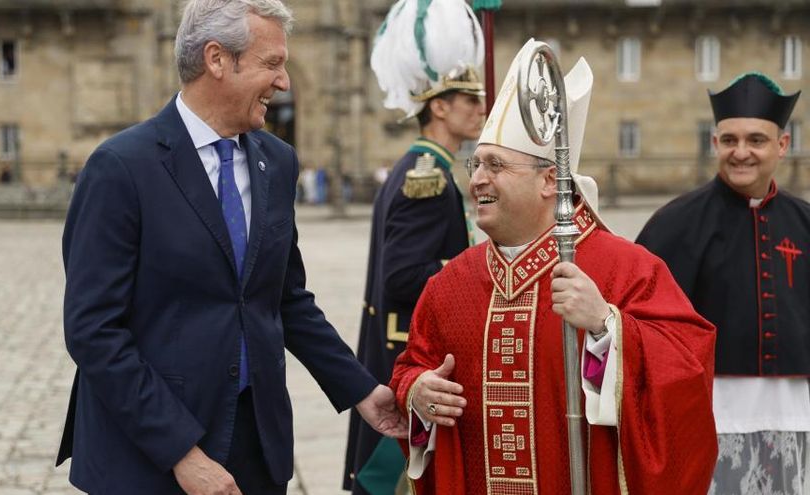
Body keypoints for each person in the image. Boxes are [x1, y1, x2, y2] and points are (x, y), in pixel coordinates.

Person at [55, 1, 406, 494]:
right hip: (148, 455)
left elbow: (285, 298)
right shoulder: (120, 167)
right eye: (272, 63)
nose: (284, 82)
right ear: (217, 60)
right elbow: (93, 330)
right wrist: (180, 451)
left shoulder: (278, 162)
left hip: (256, 446)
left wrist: (363, 389)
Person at [389, 39, 719, 494]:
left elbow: (688, 372)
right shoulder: (450, 285)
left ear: (550, 180)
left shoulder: (625, 269)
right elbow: (410, 367)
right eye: (476, 164)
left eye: (496, 165)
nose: (478, 179)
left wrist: (608, 328)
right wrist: (418, 392)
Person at [636, 73, 809, 494]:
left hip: (798, 413)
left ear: (782, 145)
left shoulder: (805, 222)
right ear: (715, 143)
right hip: (710, 415)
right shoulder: (673, 225)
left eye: (756, 140)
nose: (741, 152)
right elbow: (641, 328)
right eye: (729, 140)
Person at [342, 0, 485, 492]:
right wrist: (473, 270)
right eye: (470, 101)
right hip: (407, 356)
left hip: (406, 352)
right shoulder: (426, 178)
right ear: (439, 106)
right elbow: (401, 276)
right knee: (392, 480)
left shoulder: (431, 169)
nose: (481, 110)